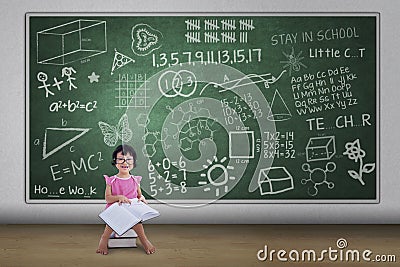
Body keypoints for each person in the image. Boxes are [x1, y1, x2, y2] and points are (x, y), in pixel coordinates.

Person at [96, 144, 156, 255]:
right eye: (121, 159)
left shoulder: (135, 180)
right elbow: (108, 198)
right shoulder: (112, 180)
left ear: (133, 162)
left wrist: (141, 198)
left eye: (128, 159)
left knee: (137, 223)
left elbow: (139, 195)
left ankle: (144, 240)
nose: (125, 162)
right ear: (115, 162)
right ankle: (103, 240)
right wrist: (119, 197)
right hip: (116, 209)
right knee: (111, 223)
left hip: (131, 209)